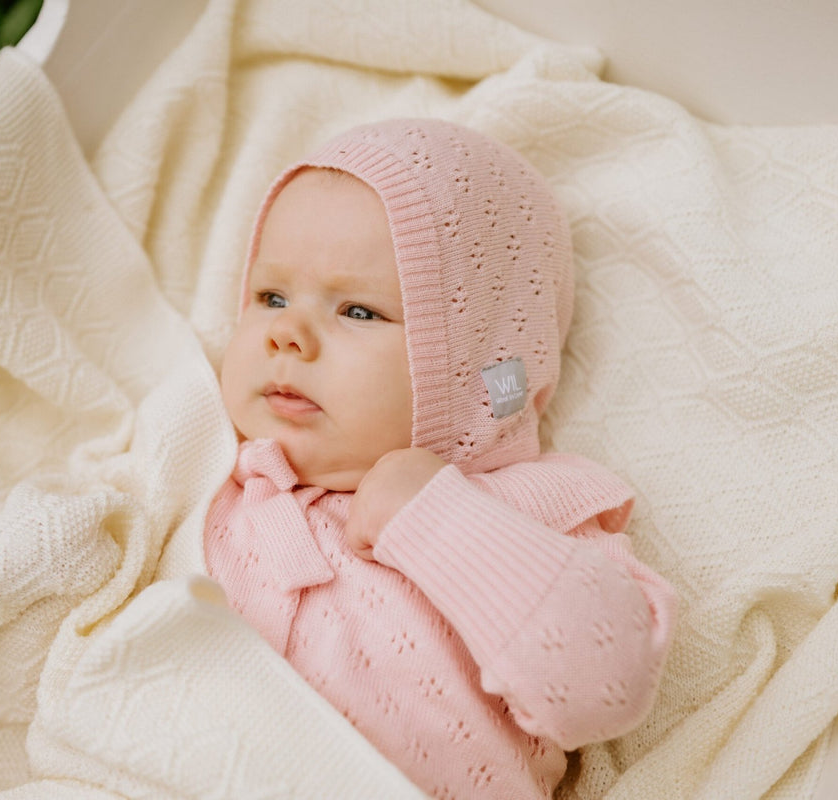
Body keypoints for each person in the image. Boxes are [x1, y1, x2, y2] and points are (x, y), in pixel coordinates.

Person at [204, 118, 677, 798]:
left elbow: (605, 686)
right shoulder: (208, 473)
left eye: (358, 311)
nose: (287, 334)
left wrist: (440, 520)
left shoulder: (530, 508)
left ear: (481, 366)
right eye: (271, 297)